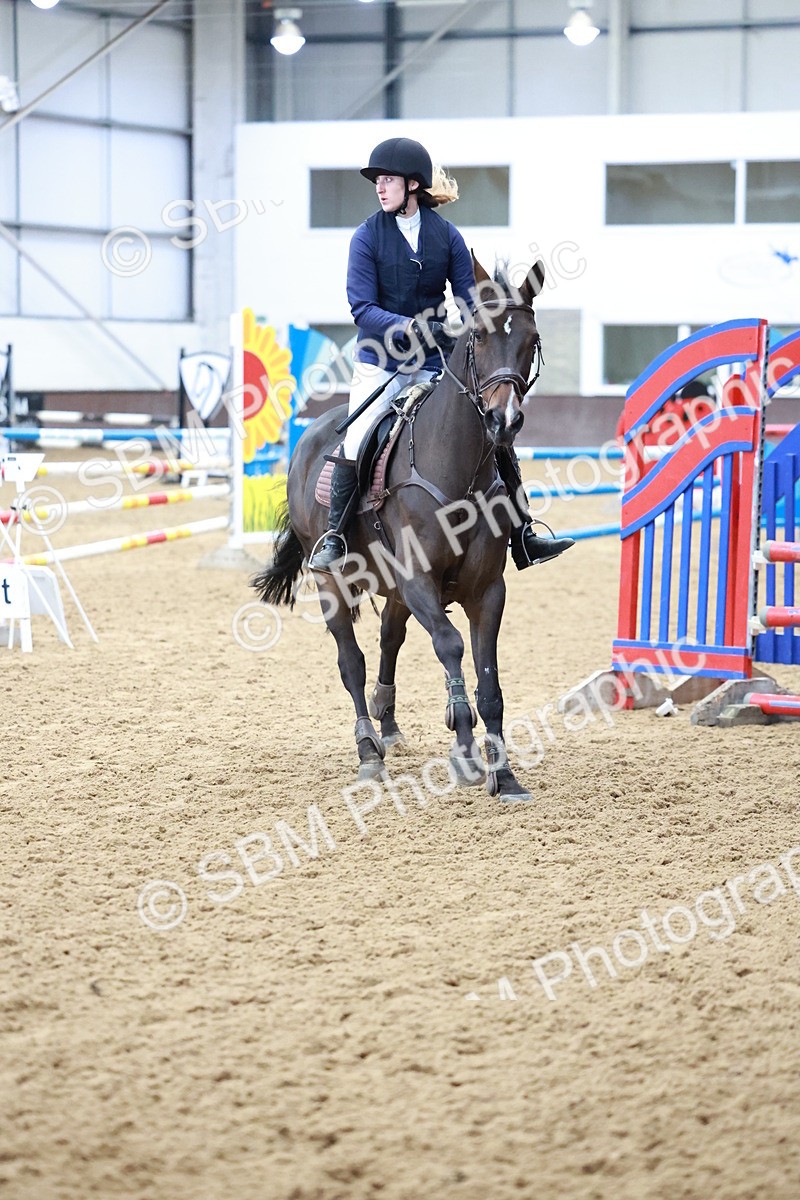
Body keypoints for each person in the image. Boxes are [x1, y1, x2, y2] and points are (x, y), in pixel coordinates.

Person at [308, 136, 574, 573]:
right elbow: (362, 308)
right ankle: (335, 536)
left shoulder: (445, 235)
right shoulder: (366, 237)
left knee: (491, 432)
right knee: (356, 439)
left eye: (388, 180)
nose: (379, 187)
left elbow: (469, 300)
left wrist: (484, 327)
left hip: (433, 364)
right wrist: (411, 326)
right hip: (381, 363)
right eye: (378, 181)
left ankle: (523, 532)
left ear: (413, 185)